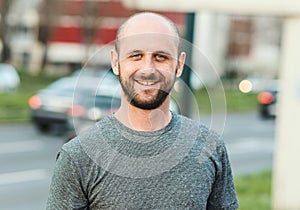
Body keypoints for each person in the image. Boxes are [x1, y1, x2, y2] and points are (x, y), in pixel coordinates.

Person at [47, 12, 239, 210]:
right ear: (115, 62)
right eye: (136, 56)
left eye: (161, 57)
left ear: (179, 65)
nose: (148, 69)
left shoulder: (210, 147)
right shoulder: (77, 156)